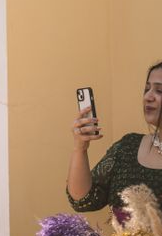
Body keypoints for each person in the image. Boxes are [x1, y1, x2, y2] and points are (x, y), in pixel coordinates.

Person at [68, 60, 162, 220]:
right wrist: (80, 148)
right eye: (146, 89)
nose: (148, 97)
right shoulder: (127, 147)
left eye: (159, 90)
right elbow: (83, 200)